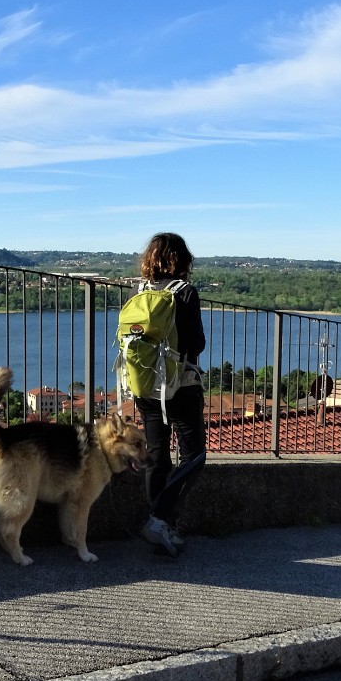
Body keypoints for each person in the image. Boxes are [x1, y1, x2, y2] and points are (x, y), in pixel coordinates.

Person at [132, 232, 206, 558]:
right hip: (180, 387)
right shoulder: (185, 293)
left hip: (145, 387)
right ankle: (160, 520)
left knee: (157, 457)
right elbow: (196, 344)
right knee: (194, 457)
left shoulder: (139, 291)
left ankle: (161, 526)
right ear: (182, 260)